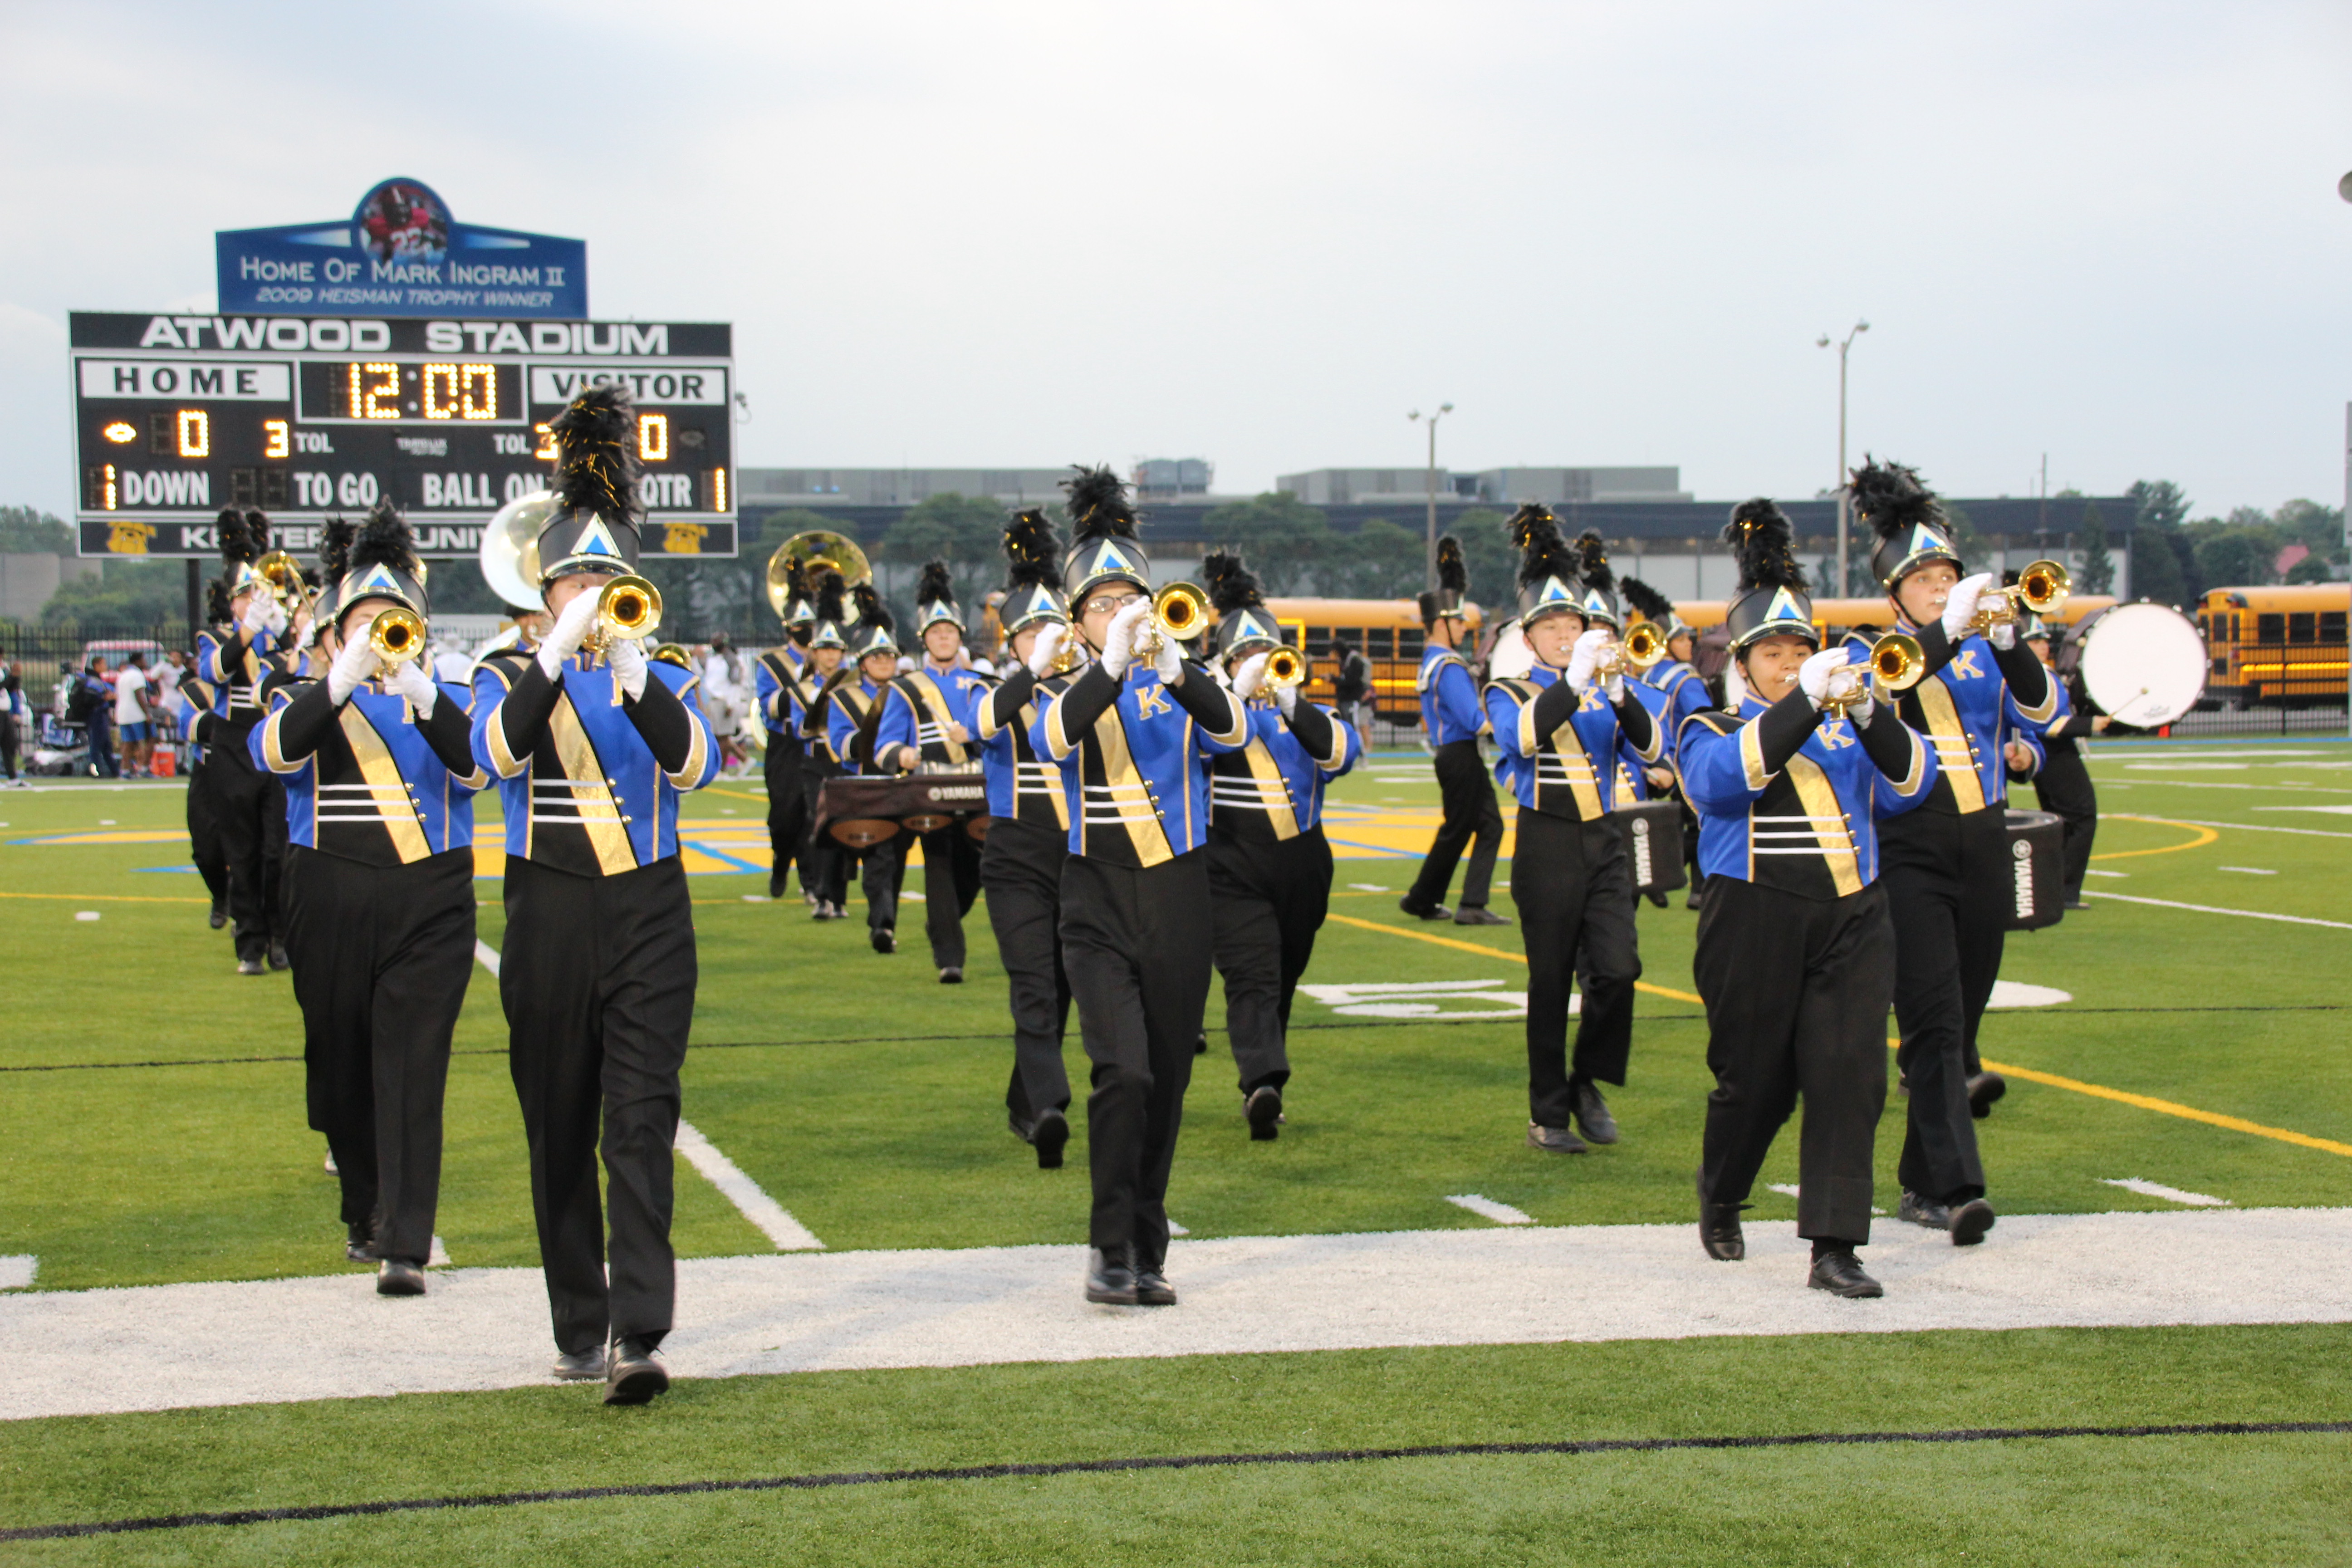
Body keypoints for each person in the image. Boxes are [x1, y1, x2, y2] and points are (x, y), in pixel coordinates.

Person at [469, 384, 720, 1405]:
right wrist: (553, 653)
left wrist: (628, 664)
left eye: (607, 581)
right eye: (575, 581)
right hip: (550, 910)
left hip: (651, 910)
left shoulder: (662, 669)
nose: (592, 593)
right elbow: (492, 756)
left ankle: (639, 1333)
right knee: (559, 1124)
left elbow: (695, 765)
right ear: (544, 590)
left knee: (641, 1120)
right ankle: (579, 1318)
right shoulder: (499, 668)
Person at [1680, 499, 1939, 1298]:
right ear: (1744, 659)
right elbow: (1720, 786)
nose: (1788, 662)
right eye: (1773, 652)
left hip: (1852, 915)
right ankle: (1721, 1191)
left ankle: (1834, 1246)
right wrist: (1803, 703)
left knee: (1848, 1075)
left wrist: (1865, 709)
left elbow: (1910, 785)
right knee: (1752, 1080)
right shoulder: (1707, 721)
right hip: (1751, 914)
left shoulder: (1849, 722)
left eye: (1800, 650)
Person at [1029, 465, 1250, 1305]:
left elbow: (1230, 730)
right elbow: (1053, 738)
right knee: (1121, 1071)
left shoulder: (1183, 673)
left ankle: (1144, 1245)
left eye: (1131, 599)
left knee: (1166, 1074)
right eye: (1099, 604)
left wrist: (1178, 665)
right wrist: (1109, 667)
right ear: (1076, 620)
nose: (1119, 613)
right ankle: (1105, 1245)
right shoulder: (1069, 681)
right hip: (1095, 895)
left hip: (1179, 892)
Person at [255, 507, 484, 1296]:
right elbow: (278, 754)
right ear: (331, 627)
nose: (378, 631)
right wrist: (340, 679)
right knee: (339, 1062)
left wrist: (417, 686)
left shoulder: (448, 688)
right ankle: (364, 1205)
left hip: (432, 893)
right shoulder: (294, 693)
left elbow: (477, 768)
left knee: (414, 1065)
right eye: (362, 620)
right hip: (327, 890)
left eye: (393, 620)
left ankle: (405, 1242)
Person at [1849, 458, 2059, 1246]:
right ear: (1894, 592)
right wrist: (1950, 626)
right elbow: (1890, 689)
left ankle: (1914, 1180)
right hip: (1910, 847)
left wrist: (2005, 639)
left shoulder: (1981, 645)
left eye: (1948, 574)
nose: (1942, 586)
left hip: (1985, 841)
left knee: (1958, 1025)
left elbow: (2043, 710)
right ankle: (1958, 1187)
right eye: (1926, 578)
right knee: (1933, 1023)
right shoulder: (1878, 649)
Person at [1483, 505, 1660, 1154]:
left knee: (1618, 970)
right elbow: (1522, 740)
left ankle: (1586, 1079)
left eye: (1574, 623)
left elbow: (1653, 748)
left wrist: (1615, 692)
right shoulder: (1510, 689)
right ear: (1530, 640)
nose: (1565, 634)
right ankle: (1548, 1113)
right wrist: (1576, 680)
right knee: (1552, 980)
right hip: (1548, 841)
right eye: (1552, 626)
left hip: (1605, 839)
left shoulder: (1608, 685)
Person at [1200, 552, 1359, 1140]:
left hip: (1303, 863)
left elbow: (1341, 755)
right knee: (1254, 971)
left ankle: (1269, 1084)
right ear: (1226, 663)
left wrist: (1291, 703)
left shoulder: (1310, 711)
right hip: (1230, 862)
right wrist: (1232, 696)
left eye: (1264, 653)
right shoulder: (1208, 712)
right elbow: (1193, 751)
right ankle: (1260, 1082)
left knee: (1285, 975)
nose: (1257, 664)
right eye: (1243, 655)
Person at [971, 509, 1079, 1166]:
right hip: (1014, 854)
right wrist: (1031, 673)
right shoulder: (993, 686)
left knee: (1065, 984)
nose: (1043, 639)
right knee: (1033, 982)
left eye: (1052, 628)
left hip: (1078, 852)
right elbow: (982, 724)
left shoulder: (1085, 688)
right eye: (1030, 632)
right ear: (1011, 642)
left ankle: (1024, 1100)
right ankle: (1049, 1109)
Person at [196, 509, 294, 974]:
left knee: (279, 849)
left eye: (257, 594)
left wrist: (285, 631)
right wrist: (249, 630)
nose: (253, 601)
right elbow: (216, 671)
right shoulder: (215, 637)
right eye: (245, 596)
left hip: (270, 741)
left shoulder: (276, 636)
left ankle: (280, 934)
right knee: (243, 849)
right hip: (234, 745)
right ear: (231, 602)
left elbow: (300, 671)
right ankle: (250, 942)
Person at [882, 559, 989, 983]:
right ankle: (950, 957)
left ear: (960, 638)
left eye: (950, 632)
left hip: (976, 789)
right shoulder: (906, 688)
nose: (943, 637)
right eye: (935, 632)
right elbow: (885, 743)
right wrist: (903, 755)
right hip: (929, 789)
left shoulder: (984, 684)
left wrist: (977, 736)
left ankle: (941, 924)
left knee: (975, 872)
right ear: (925, 639)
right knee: (938, 867)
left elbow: (996, 738)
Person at [1401, 535, 1507, 926]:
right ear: (1442, 623)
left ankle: (1428, 899)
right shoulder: (1449, 665)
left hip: (1452, 756)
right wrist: (1508, 724)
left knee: (1474, 827)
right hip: (1461, 755)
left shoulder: (1432, 660)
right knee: (1472, 828)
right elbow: (1474, 719)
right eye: (1459, 620)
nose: (1465, 627)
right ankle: (1464, 904)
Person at [826, 585, 922, 955]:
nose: (885, 661)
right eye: (877, 656)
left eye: (890, 655)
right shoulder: (844, 697)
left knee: (898, 856)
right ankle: (882, 923)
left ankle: (887, 917)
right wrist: (871, 736)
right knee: (878, 856)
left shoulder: (910, 691)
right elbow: (840, 747)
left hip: (905, 786)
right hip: (867, 786)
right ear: (863, 662)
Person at [1619, 576, 1713, 907]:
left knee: (1671, 824)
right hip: (1681, 759)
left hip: (1654, 759)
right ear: (1670, 643)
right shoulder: (1685, 678)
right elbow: (1702, 717)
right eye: (1684, 638)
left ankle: (1655, 877)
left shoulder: (1646, 676)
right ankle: (1694, 888)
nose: (1690, 644)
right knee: (1699, 826)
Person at [2024, 613, 2102, 911]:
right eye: (2035, 641)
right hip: (2053, 753)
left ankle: (2054, 889)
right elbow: (2044, 723)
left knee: (2059, 821)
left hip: (2045, 752)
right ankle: (2064, 890)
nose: (2044, 646)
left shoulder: (2041, 673)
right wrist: (2090, 725)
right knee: (2081, 816)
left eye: (2044, 640)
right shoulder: (2034, 676)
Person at [752, 563, 818, 902]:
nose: (807, 631)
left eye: (811, 625)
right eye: (801, 626)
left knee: (811, 813)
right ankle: (781, 861)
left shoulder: (828, 660)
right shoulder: (771, 662)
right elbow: (769, 707)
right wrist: (802, 687)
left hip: (816, 745)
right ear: (789, 629)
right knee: (784, 815)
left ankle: (810, 881)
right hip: (783, 745)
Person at [793, 575, 855, 920]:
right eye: (825, 649)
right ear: (815, 653)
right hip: (816, 762)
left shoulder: (856, 684)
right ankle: (820, 894)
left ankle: (840, 896)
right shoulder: (802, 689)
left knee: (844, 825)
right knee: (817, 824)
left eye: (836, 649)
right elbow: (802, 730)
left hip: (845, 763)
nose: (830, 655)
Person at [113, 651, 156, 777]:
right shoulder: (137, 675)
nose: (146, 663)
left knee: (128, 743)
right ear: (138, 661)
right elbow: (140, 695)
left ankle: (125, 770)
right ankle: (144, 768)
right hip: (136, 714)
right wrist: (147, 713)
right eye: (144, 660)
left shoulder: (123, 675)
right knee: (147, 740)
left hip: (123, 714)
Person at [1332, 638, 1373, 743]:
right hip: (1350, 698)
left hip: (1355, 698)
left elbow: (1351, 680)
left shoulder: (1353, 660)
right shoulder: (1347, 660)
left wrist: (1334, 680)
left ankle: (1363, 752)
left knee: (1359, 726)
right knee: (1350, 726)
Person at [0, 657, 23, 785]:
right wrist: (11, 677)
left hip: (5, 712)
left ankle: (13, 777)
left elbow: (10, 689)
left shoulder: (3, 671)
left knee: (10, 744)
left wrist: (16, 677)